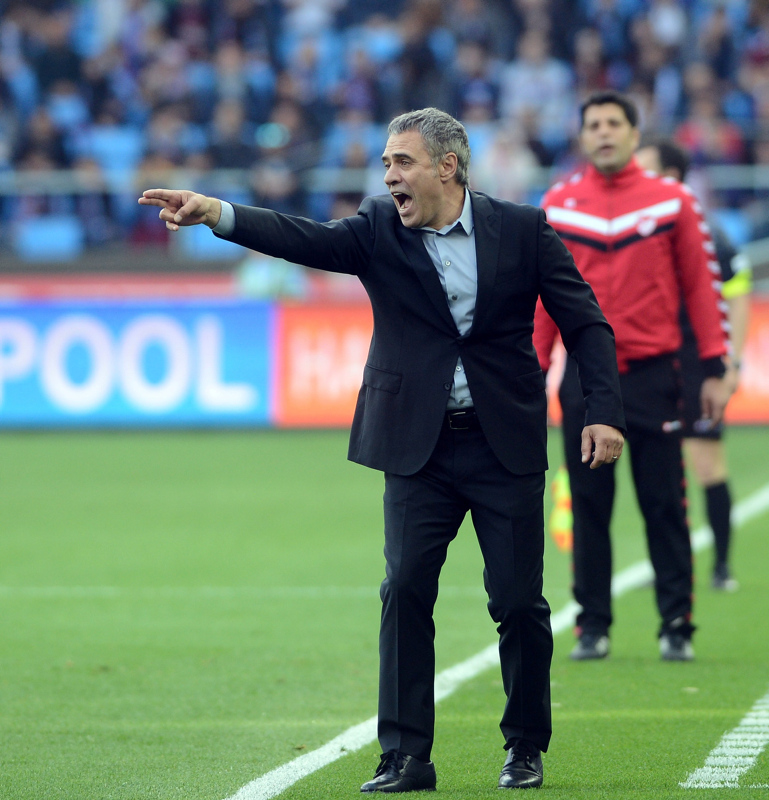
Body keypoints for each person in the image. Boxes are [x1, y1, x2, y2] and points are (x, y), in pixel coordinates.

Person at [140, 107, 625, 793]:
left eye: (402, 162)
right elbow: (302, 238)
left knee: (518, 603)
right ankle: (404, 756)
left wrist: (602, 413)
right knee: (403, 591)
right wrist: (217, 212)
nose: (389, 176)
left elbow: (586, 323)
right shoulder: (377, 227)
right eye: (386, 164)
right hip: (417, 447)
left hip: (503, 445)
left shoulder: (523, 229)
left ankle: (524, 746)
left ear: (447, 167)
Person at [534, 91, 731, 664]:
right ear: (582, 137)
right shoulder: (560, 204)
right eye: (593, 124)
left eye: (613, 123)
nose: (603, 132)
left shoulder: (672, 201)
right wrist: (533, 367)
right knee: (589, 505)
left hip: (654, 375)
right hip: (584, 379)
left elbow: (701, 286)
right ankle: (592, 625)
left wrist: (714, 366)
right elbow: (541, 297)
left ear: (633, 134)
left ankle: (676, 624)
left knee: (664, 503)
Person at [635, 137, 752, 591]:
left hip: (698, 363)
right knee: (659, 470)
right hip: (651, 363)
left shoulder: (707, 230)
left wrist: (730, 362)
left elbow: (737, 296)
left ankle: (721, 566)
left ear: (672, 176)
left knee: (706, 463)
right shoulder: (635, 227)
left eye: (646, 167)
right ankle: (669, 563)